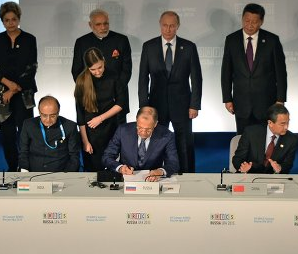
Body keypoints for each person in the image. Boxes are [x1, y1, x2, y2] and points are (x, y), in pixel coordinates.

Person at [138, 10, 202, 173]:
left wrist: (194, 105)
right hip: (156, 105)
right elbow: (143, 79)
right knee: (156, 142)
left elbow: (196, 78)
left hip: (182, 104)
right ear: (160, 25)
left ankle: (187, 174)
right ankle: (154, 173)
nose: (168, 29)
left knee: (184, 141)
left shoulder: (189, 47)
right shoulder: (149, 46)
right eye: (165, 25)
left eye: (172, 26)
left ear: (178, 26)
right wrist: (144, 107)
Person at [0, 1, 38, 171]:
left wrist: (15, 89)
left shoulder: (29, 39)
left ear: (19, 19)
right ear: (2, 21)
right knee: (7, 135)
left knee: (25, 133)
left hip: (24, 94)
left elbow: (32, 68)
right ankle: (11, 167)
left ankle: (25, 167)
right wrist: (9, 86)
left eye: (13, 19)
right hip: (3, 95)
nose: (10, 23)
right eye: (6, 20)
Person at [221, 3, 287, 134]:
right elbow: (226, 72)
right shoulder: (231, 40)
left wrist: (280, 99)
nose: (250, 25)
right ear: (242, 19)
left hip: (266, 103)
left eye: (254, 22)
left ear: (261, 22)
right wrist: (227, 98)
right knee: (243, 139)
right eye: (247, 21)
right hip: (241, 103)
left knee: (265, 139)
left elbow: (281, 73)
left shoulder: (272, 40)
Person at [71, 8, 132, 123]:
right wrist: (90, 92)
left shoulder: (121, 40)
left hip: (116, 99)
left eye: (106, 23)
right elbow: (77, 71)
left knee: (120, 132)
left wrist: (116, 91)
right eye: (98, 24)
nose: (103, 27)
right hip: (91, 100)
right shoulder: (81, 42)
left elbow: (126, 70)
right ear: (90, 25)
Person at [74, 47, 127, 172]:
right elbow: (80, 116)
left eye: (100, 67)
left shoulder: (114, 75)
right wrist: (85, 141)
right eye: (92, 69)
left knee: (113, 166)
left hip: (112, 127)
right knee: (94, 170)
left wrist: (101, 118)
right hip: (92, 133)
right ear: (87, 67)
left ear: (103, 61)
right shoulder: (81, 81)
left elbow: (121, 103)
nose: (97, 72)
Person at [102, 107, 179, 181]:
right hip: (127, 178)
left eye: (148, 129)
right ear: (137, 120)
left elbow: (173, 163)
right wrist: (120, 168)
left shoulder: (167, 135)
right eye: (140, 128)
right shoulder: (123, 130)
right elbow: (107, 156)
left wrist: (160, 171)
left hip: (152, 180)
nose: (143, 133)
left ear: (155, 124)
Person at [18, 95, 80, 172]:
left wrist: (68, 174)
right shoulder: (28, 125)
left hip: (60, 172)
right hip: (33, 172)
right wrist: (24, 169)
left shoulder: (70, 126)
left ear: (58, 112)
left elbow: (74, 155)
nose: (48, 120)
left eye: (52, 116)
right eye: (44, 115)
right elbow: (23, 151)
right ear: (39, 112)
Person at [231, 104, 297, 174]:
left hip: (274, 178)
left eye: (288, 122)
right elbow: (237, 159)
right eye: (282, 124)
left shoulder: (291, 139)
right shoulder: (251, 133)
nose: (286, 127)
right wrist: (243, 167)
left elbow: (288, 164)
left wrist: (280, 168)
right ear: (270, 123)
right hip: (250, 175)